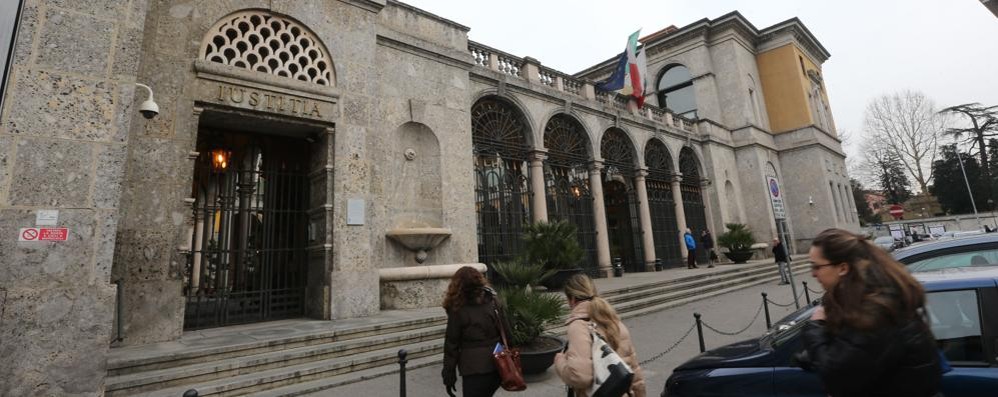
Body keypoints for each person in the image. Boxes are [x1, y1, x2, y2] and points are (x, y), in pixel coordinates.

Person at [795, 228, 941, 397]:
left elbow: (838, 375)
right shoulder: (861, 301)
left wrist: (816, 327)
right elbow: (853, 355)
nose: (812, 273)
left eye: (817, 266)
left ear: (843, 268)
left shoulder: (876, 311)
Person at [554, 274, 646, 397]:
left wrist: (560, 362)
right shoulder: (615, 321)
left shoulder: (578, 326)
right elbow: (635, 372)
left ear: (572, 300)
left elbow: (580, 377)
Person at [441, 266, 505, 397]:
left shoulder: (457, 308)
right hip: (497, 365)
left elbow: (451, 345)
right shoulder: (493, 301)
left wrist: (449, 377)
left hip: (473, 369)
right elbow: (507, 332)